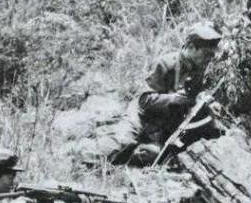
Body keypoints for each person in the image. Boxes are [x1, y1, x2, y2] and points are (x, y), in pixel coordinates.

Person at [95, 21, 223, 166]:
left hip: (162, 124)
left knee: (158, 154)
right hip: (141, 117)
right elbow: (144, 100)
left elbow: (195, 92)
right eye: (206, 53)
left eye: (211, 54)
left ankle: (137, 150)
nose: (209, 58)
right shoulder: (166, 63)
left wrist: (207, 102)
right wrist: (173, 99)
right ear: (192, 47)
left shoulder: (197, 67)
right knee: (115, 147)